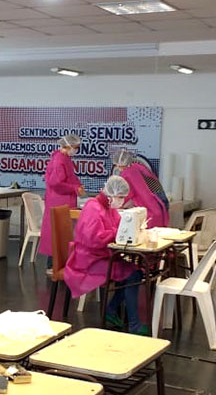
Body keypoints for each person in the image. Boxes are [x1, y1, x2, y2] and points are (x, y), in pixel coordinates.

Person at [64, 176, 146, 334]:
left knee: (135, 272)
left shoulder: (109, 208)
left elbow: (119, 225)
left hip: (100, 255)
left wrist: (131, 228)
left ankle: (111, 310)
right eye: (120, 197)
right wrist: (117, 233)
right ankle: (133, 324)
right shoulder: (93, 208)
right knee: (131, 274)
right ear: (111, 194)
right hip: (88, 260)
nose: (122, 201)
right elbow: (94, 239)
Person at [39, 134, 86, 269]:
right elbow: (56, 183)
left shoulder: (65, 158)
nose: (76, 150)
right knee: (57, 232)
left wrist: (78, 185)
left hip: (63, 200)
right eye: (75, 147)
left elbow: (70, 176)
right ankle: (53, 265)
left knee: (62, 232)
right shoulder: (59, 161)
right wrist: (74, 188)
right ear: (68, 146)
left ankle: (61, 263)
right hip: (58, 200)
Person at [114, 149, 169, 228]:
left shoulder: (127, 173)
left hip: (150, 211)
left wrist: (116, 204)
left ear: (119, 164)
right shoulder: (139, 166)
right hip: (160, 204)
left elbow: (126, 194)